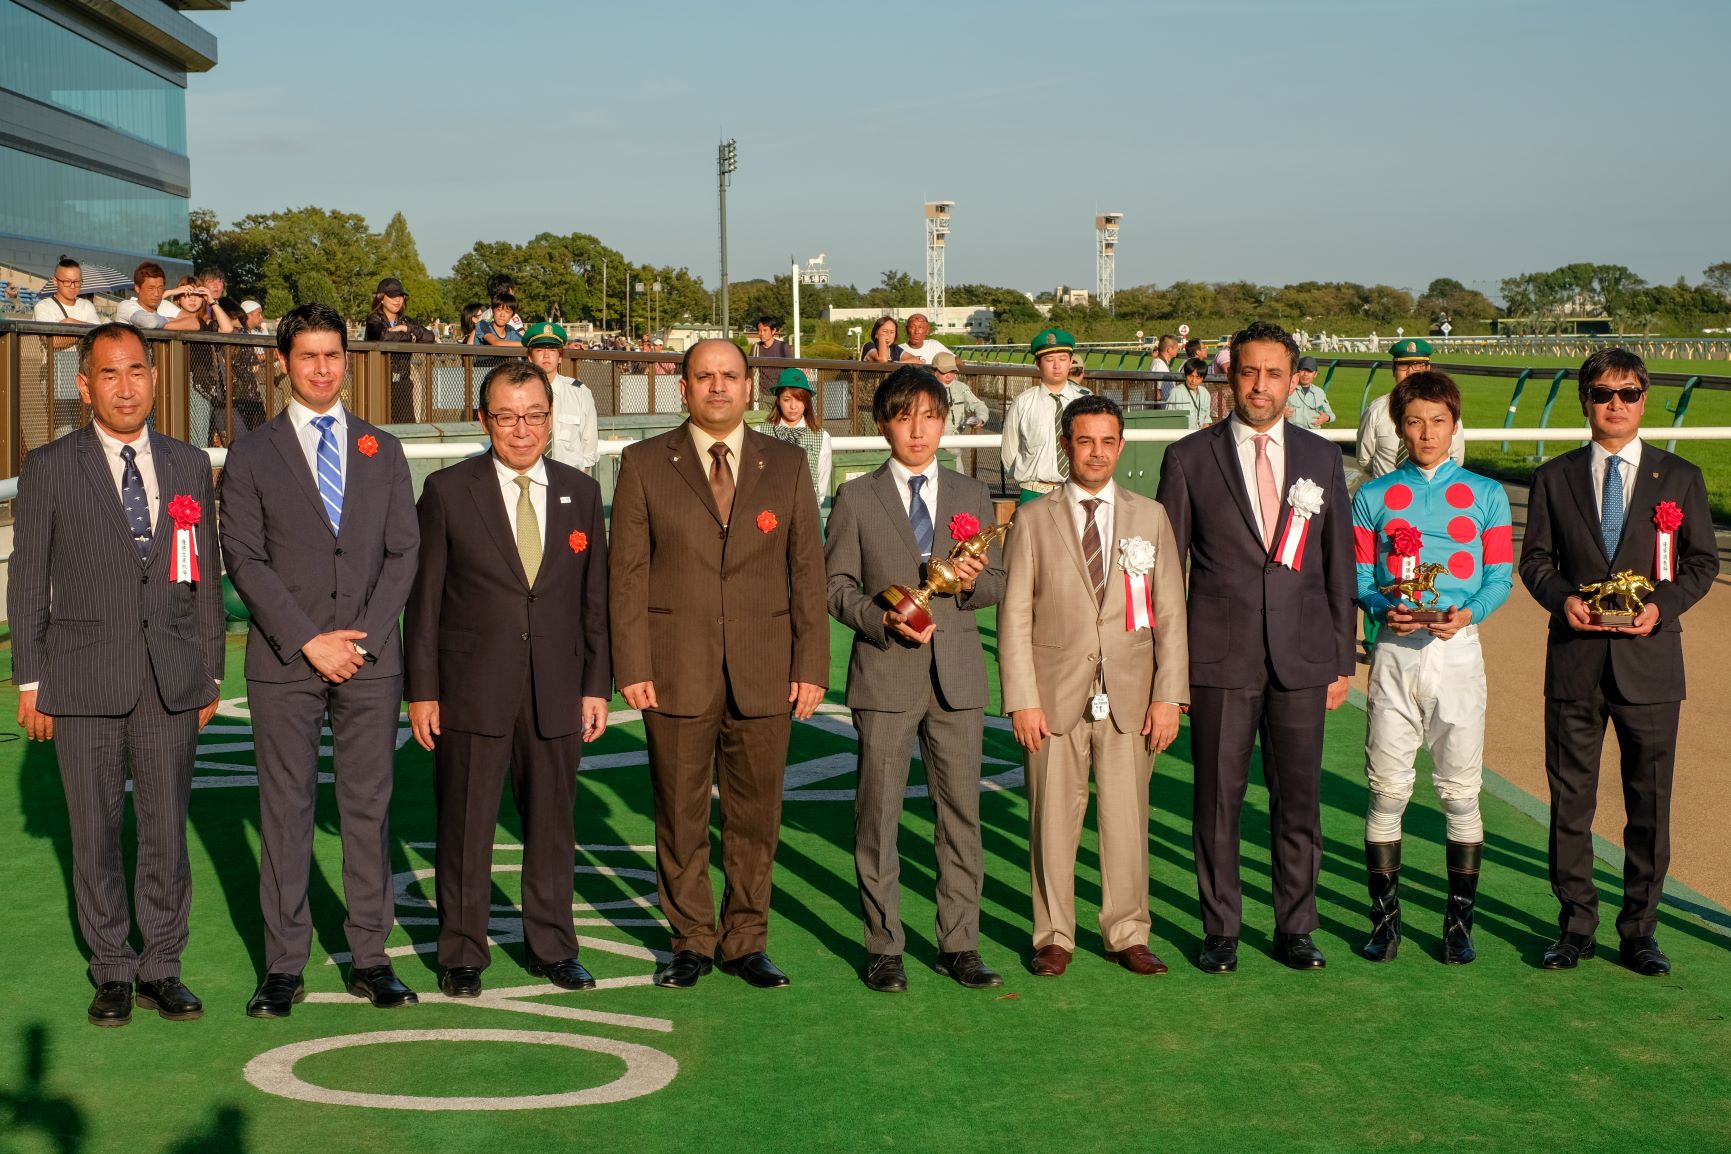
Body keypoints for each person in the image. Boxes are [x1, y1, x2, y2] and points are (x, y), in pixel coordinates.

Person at [9, 324, 224, 1027]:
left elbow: (205, 577)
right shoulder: (48, 466)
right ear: (85, 386)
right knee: (94, 831)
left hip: (170, 679)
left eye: (137, 371)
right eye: (109, 374)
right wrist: (29, 679)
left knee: (165, 829)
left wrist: (211, 672)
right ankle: (112, 969)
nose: (125, 386)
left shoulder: (189, 464)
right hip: (81, 679)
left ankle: (163, 964)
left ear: (155, 379)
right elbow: (28, 578)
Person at [220, 303, 421, 1017]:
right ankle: (283, 965)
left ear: (346, 359)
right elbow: (242, 557)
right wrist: (309, 639)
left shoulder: (382, 450)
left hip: (369, 660)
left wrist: (360, 637)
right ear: (282, 362)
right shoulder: (250, 452)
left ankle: (371, 955)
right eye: (307, 356)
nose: (321, 368)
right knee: (286, 811)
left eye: (332, 355)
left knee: (367, 809)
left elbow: (404, 552)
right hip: (285, 660)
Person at [609, 339, 828, 990]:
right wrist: (632, 663)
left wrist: (810, 663)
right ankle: (691, 941)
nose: (717, 387)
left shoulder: (786, 465)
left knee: (754, 814)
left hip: (765, 667)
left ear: (748, 386)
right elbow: (626, 576)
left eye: (729, 376)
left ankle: (745, 941)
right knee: (678, 814)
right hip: (675, 667)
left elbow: (807, 575)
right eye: (703, 377)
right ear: (682, 388)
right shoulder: (644, 463)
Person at [1154, 320, 1356, 973]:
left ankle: (1295, 925)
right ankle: (1221, 927)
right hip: (1218, 657)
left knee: (1297, 799)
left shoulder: (1321, 457)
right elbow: (1166, 573)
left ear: (1293, 377)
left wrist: (1338, 657)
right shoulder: (1188, 458)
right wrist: (1171, 670)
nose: (1259, 385)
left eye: (1273, 373)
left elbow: (1337, 568)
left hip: (1301, 658)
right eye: (1247, 372)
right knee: (1216, 798)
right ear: (1227, 375)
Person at [405, 360, 611, 998]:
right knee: (465, 825)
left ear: (553, 420)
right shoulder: (446, 490)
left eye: (534, 417)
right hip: (471, 688)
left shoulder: (582, 490)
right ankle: (462, 951)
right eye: (506, 417)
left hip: (557, 688)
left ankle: (553, 946)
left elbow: (593, 601)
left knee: (552, 824)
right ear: (483, 419)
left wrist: (595, 685)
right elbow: (426, 600)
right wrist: (423, 690)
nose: (521, 431)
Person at [1518, 348, 1717, 976]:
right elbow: (1537, 561)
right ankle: (1575, 925)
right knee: (1570, 801)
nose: (1615, 404)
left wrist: (1664, 605)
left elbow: (1702, 564)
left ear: (1643, 399)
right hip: (1575, 661)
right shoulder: (1554, 477)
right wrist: (1563, 599)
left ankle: (1640, 931)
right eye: (1603, 393)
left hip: (1651, 664)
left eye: (1627, 394)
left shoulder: (1679, 477)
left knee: (1648, 804)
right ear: (1585, 401)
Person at [824, 366, 1007, 993]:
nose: (919, 429)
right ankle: (884, 946)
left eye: (931, 416)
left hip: (956, 677)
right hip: (884, 675)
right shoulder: (855, 497)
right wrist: (880, 620)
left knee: (961, 816)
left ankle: (960, 944)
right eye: (905, 417)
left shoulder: (970, 492)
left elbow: (996, 584)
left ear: (945, 421)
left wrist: (971, 577)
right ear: (882, 424)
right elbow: (835, 586)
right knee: (877, 816)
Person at [1000, 394, 1189, 978]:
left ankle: (1127, 930)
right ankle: (1054, 934)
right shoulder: (1033, 518)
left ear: (1121, 446)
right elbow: (1014, 617)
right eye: (1085, 441)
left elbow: (1172, 614)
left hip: (1131, 698)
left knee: (1127, 820)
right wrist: (1022, 699)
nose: (1097, 453)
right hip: (1053, 698)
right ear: (1066, 446)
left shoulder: (1150, 516)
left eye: (1108, 441)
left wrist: (1168, 695)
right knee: (1052, 819)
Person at [1351, 371, 1513, 965]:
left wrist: (1468, 611)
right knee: (1387, 793)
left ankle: (1458, 924)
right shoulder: (1372, 496)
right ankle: (1385, 923)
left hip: (1458, 649)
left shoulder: (1488, 494)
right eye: (1414, 421)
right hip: (1395, 651)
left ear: (1454, 424)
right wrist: (1379, 608)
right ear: (1399, 426)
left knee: (1460, 795)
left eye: (1438, 421)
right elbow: (1361, 578)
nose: (1426, 433)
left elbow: (1500, 577)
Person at [1000, 327, 1088, 503]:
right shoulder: (1023, 403)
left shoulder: (1086, 401)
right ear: (1038, 364)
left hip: (1077, 491)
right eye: (1049, 360)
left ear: (1071, 362)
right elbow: (1009, 451)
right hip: (1034, 493)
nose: (1057, 365)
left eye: (1063, 359)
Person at [1357, 339, 1463, 478]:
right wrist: (1387, 481)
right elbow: (1364, 458)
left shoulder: (1445, 409)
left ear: (1428, 369)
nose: (1410, 372)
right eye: (1403, 366)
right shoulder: (1376, 410)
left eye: (1418, 365)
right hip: (1387, 494)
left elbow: (1456, 458)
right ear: (1394, 370)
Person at [520, 322, 599, 473]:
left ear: (560, 357)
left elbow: (589, 446)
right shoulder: (519, 393)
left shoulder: (579, 393)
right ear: (530, 357)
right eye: (540, 349)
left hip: (570, 479)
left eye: (553, 350)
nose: (546, 355)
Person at [363, 277, 435, 423]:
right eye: (392, 296)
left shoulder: (407, 321)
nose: (398, 300)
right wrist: (410, 336)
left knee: (406, 426)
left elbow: (429, 336)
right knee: (379, 424)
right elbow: (382, 337)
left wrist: (406, 328)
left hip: (402, 381)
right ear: (381, 298)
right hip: (378, 380)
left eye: (401, 296)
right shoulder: (373, 319)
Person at [765, 367, 833, 505]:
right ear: (778, 400)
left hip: (807, 510)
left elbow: (821, 482)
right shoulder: (760, 432)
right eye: (786, 399)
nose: (793, 406)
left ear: (807, 402)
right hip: (769, 512)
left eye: (799, 399)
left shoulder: (821, 437)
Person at [114, 262, 198, 332]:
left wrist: (160, 322)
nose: (157, 294)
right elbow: (150, 322)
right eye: (151, 288)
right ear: (137, 288)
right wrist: (171, 320)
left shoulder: (164, 305)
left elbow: (194, 323)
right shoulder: (126, 306)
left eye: (160, 288)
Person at [931, 351, 987, 434]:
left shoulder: (961, 387)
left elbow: (978, 405)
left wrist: (980, 419)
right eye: (944, 372)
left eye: (952, 371)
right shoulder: (926, 390)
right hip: (933, 438)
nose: (949, 376)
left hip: (957, 438)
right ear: (934, 372)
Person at [1285, 356, 1336, 429]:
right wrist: (1281, 414)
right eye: (1303, 370)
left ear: (1315, 374)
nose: (1305, 374)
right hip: (1292, 433)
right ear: (1297, 372)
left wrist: (1326, 417)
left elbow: (1331, 415)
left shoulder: (1319, 393)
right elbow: (1271, 412)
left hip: (1313, 434)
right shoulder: (1287, 390)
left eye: (1309, 371)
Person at [1166, 357, 1213, 431]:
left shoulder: (1205, 393)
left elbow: (1206, 421)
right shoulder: (1176, 392)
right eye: (1191, 376)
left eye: (1198, 377)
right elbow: (1168, 421)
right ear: (1185, 375)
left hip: (1199, 437)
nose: (1193, 381)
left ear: (1202, 378)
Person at [751, 314, 791, 397]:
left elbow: (791, 371)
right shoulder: (755, 348)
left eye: (765, 330)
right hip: (762, 395)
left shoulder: (783, 347)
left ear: (773, 331)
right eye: (759, 330)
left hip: (780, 394)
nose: (761, 333)